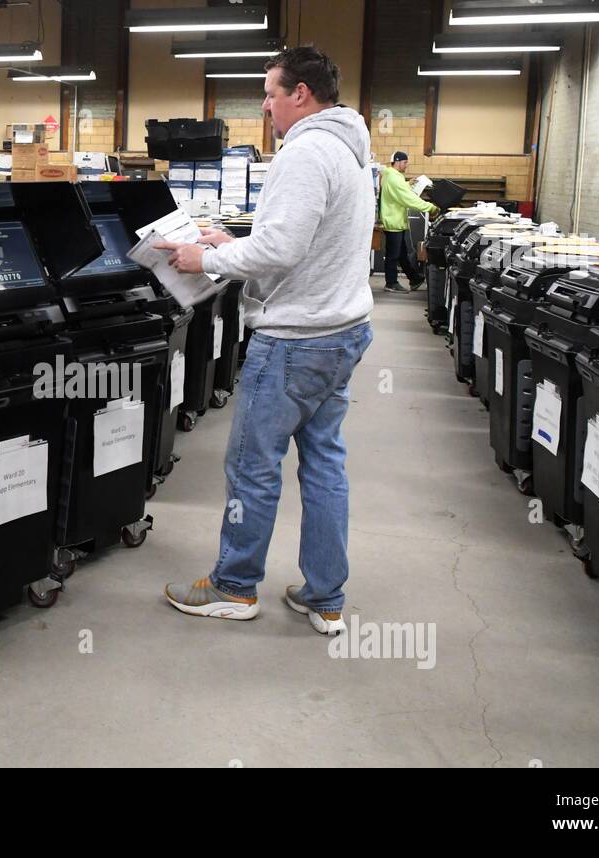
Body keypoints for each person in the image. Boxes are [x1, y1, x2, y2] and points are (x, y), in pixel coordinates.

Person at [154, 46, 375, 635]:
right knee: (325, 463)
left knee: (253, 465)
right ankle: (325, 595)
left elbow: (280, 251)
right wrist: (232, 239)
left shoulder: (306, 152)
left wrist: (208, 257)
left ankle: (233, 585)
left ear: (300, 94)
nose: (266, 106)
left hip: (295, 340)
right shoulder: (353, 149)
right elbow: (302, 242)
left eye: (271, 94)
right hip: (341, 330)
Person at [379, 151, 437, 293]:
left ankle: (415, 278)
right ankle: (391, 283)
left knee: (402, 253)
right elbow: (407, 198)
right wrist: (430, 207)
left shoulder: (392, 175)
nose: (406, 165)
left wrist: (408, 183)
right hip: (393, 221)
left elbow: (399, 189)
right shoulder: (393, 178)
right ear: (397, 162)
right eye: (405, 162)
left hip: (396, 220)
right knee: (393, 255)